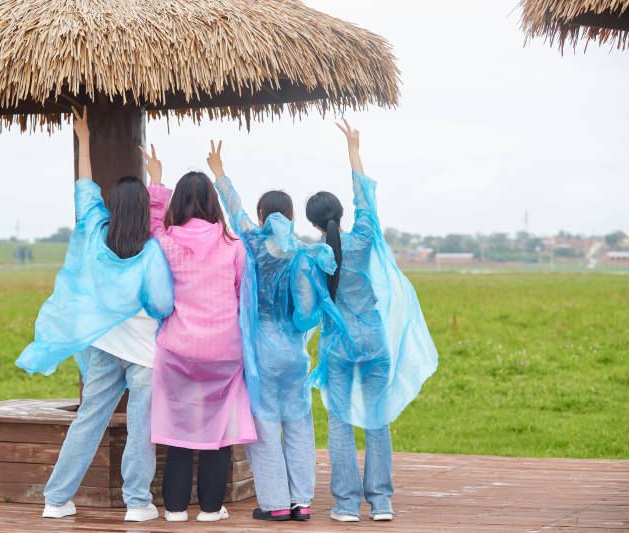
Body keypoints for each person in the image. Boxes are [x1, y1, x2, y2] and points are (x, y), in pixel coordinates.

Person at [15, 106, 174, 522]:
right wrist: (158, 180)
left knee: (88, 420)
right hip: (144, 353)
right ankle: (137, 504)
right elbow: (163, 304)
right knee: (141, 429)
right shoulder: (151, 249)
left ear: (112, 204)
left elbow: (84, 188)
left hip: (103, 348)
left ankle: (56, 500)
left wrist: (83, 140)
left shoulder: (94, 230)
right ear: (144, 210)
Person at [299, 119, 439, 522]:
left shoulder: (314, 256)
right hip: (374, 340)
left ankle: (346, 505)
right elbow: (366, 199)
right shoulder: (364, 236)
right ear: (341, 214)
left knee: (340, 423)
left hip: (337, 347)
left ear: (312, 224)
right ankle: (381, 503)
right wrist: (354, 150)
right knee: (378, 421)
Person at [207, 141, 336, 521]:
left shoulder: (252, 240)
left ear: (263, 215)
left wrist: (219, 172)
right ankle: (302, 502)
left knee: (264, 428)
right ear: (292, 216)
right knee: (298, 425)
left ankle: (276, 503)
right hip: (294, 352)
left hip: (260, 351)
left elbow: (235, 210)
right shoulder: (301, 252)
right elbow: (307, 311)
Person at [139, 144, 256, 522]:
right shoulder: (233, 245)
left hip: (178, 348)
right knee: (217, 430)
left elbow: (153, 223)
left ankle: (174, 509)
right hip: (225, 350)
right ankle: (210, 508)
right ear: (212, 204)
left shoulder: (165, 242)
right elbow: (242, 297)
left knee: (177, 428)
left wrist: (156, 180)